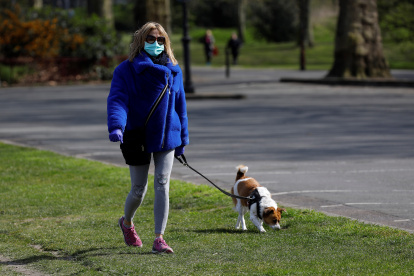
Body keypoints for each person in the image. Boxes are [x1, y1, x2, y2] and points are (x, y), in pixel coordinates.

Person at [107, 22, 189, 254]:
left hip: (167, 134)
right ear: (141, 41)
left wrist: (183, 138)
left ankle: (159, 238)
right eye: (150, 39)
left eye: (160, 39)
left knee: (162, 183)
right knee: (138, 189)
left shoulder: (174, 68)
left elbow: (180, 105)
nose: (156, 44)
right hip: (138, 135)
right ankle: (127, 223)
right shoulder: (126, 69)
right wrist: (116, 126)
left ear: (166, 42)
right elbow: (118, 100)